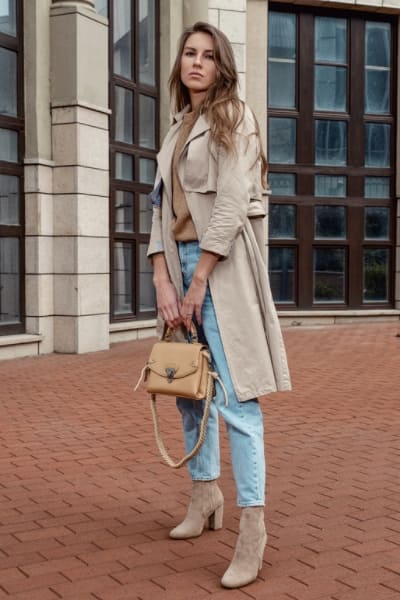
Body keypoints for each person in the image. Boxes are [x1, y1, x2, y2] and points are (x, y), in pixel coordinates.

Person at [147, 21, 291, 589]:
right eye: (189, 53)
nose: (197, 62)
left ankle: (252, 528)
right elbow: (157, 208)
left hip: (222, 270)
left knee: (234, 399)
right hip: (179, 265)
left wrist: (199, 277)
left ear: (222, 65)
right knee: (187, 390)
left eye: (208, 55)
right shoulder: (177, 127)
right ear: (180, 63)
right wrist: (162, 276)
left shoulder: (234, 117)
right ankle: (205, 497)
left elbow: (231, 201)